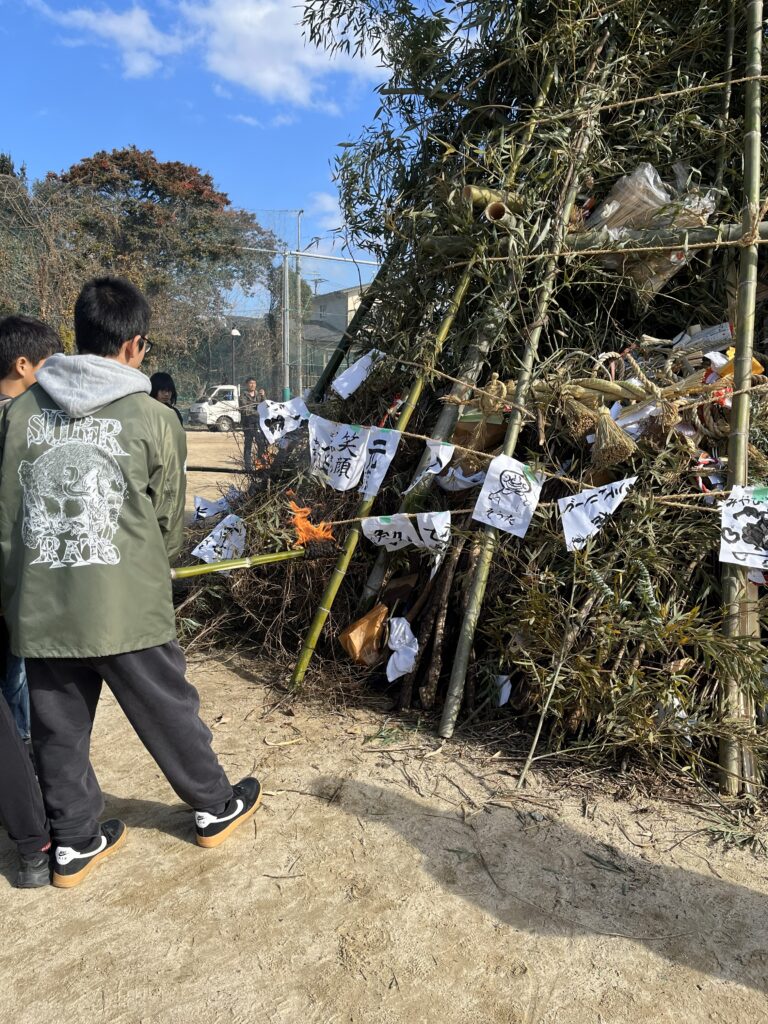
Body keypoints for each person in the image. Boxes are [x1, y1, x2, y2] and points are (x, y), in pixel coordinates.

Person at [0, 276, 261, 889]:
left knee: (58, 730)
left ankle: (74, 843)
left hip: (42, 603)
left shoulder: (19, 414)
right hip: (128, 603)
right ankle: (214, 806)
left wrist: (18, 597)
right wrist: (150, 568)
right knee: (167, 708)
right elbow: (169, 517)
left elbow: (8, 515)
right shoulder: (154, 416)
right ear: (132, 345)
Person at [0, 313, 62, 888]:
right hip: (14, 589)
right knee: (16, 700)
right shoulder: (22, 424)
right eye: (48, 365)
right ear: (24, 365)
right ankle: (34, 827)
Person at [240, 376, 260, 471]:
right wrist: (257, 411)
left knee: (261, 443)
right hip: (247, 422)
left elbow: (265, 405)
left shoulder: (259, 394)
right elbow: (245, 409)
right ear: (247, 384)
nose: (252, 385)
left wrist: (263, 396)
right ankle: (248, 467)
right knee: (248, 444)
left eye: (254, 383)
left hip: (258, 422)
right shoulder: (243, 395)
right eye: (251, 383)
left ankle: (260, 464)